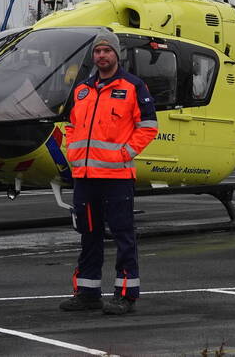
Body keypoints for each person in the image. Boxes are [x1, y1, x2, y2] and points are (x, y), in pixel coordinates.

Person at [59, 30, 157, 316]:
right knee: (88, 234)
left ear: (117, 54)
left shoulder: (133, 87)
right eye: (98, 52)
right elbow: (70, 126)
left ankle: (125, 294)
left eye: (107, 51)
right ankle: (87, 293)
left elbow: (149, 127)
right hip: (85, 178)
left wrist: (125, 153)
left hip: (117, 178)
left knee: (123, 235)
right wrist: (73, 155)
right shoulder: (81, 90)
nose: (102, 56)